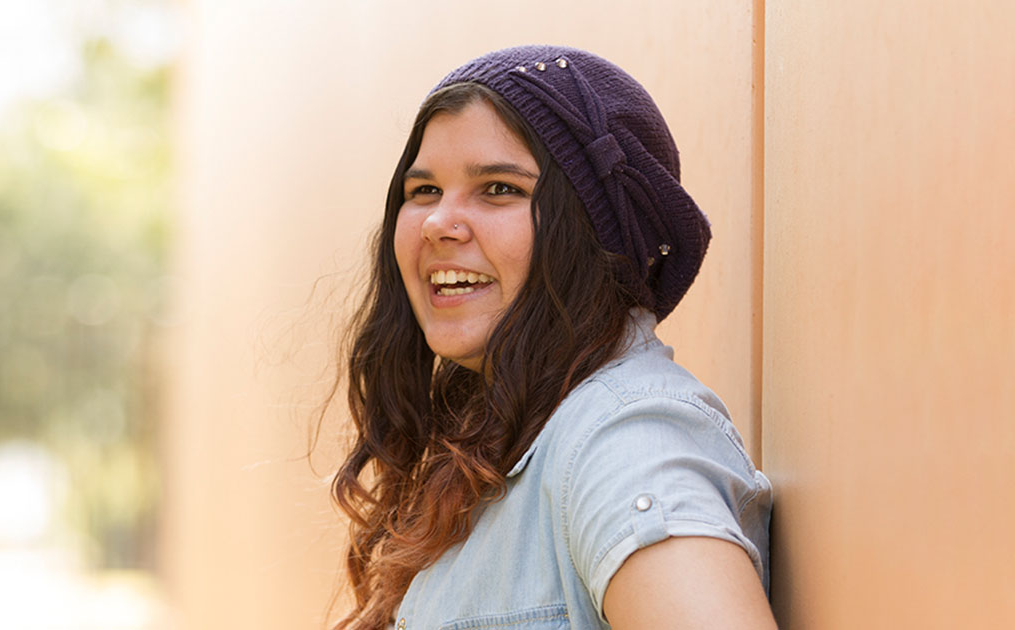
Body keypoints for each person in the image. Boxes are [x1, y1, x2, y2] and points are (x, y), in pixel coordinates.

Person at [329, 45, 775, 630]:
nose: (438, 222)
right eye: (425, 191)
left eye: (499, 189)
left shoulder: (627, 442)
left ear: (595, 232)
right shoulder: (497, 446)